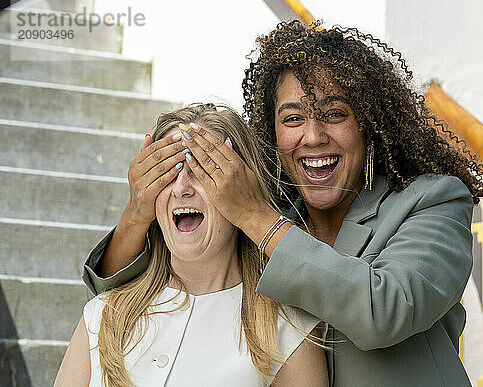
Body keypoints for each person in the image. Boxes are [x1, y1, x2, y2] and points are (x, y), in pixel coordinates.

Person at [82, 21, 483, 386]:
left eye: (334, 114)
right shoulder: (278, 209)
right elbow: (131, 291)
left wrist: (254, 216)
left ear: (368, 124)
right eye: (293, 119)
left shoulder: (432, 199)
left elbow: (385, 310)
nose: (312, 137)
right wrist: (137, 214)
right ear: (273, 132)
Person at [55, 104, 328, 387]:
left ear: (242, 189)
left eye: (204, 171)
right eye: (167, 174)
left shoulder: (291, 331)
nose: (181, 188)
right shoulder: (101, 316)